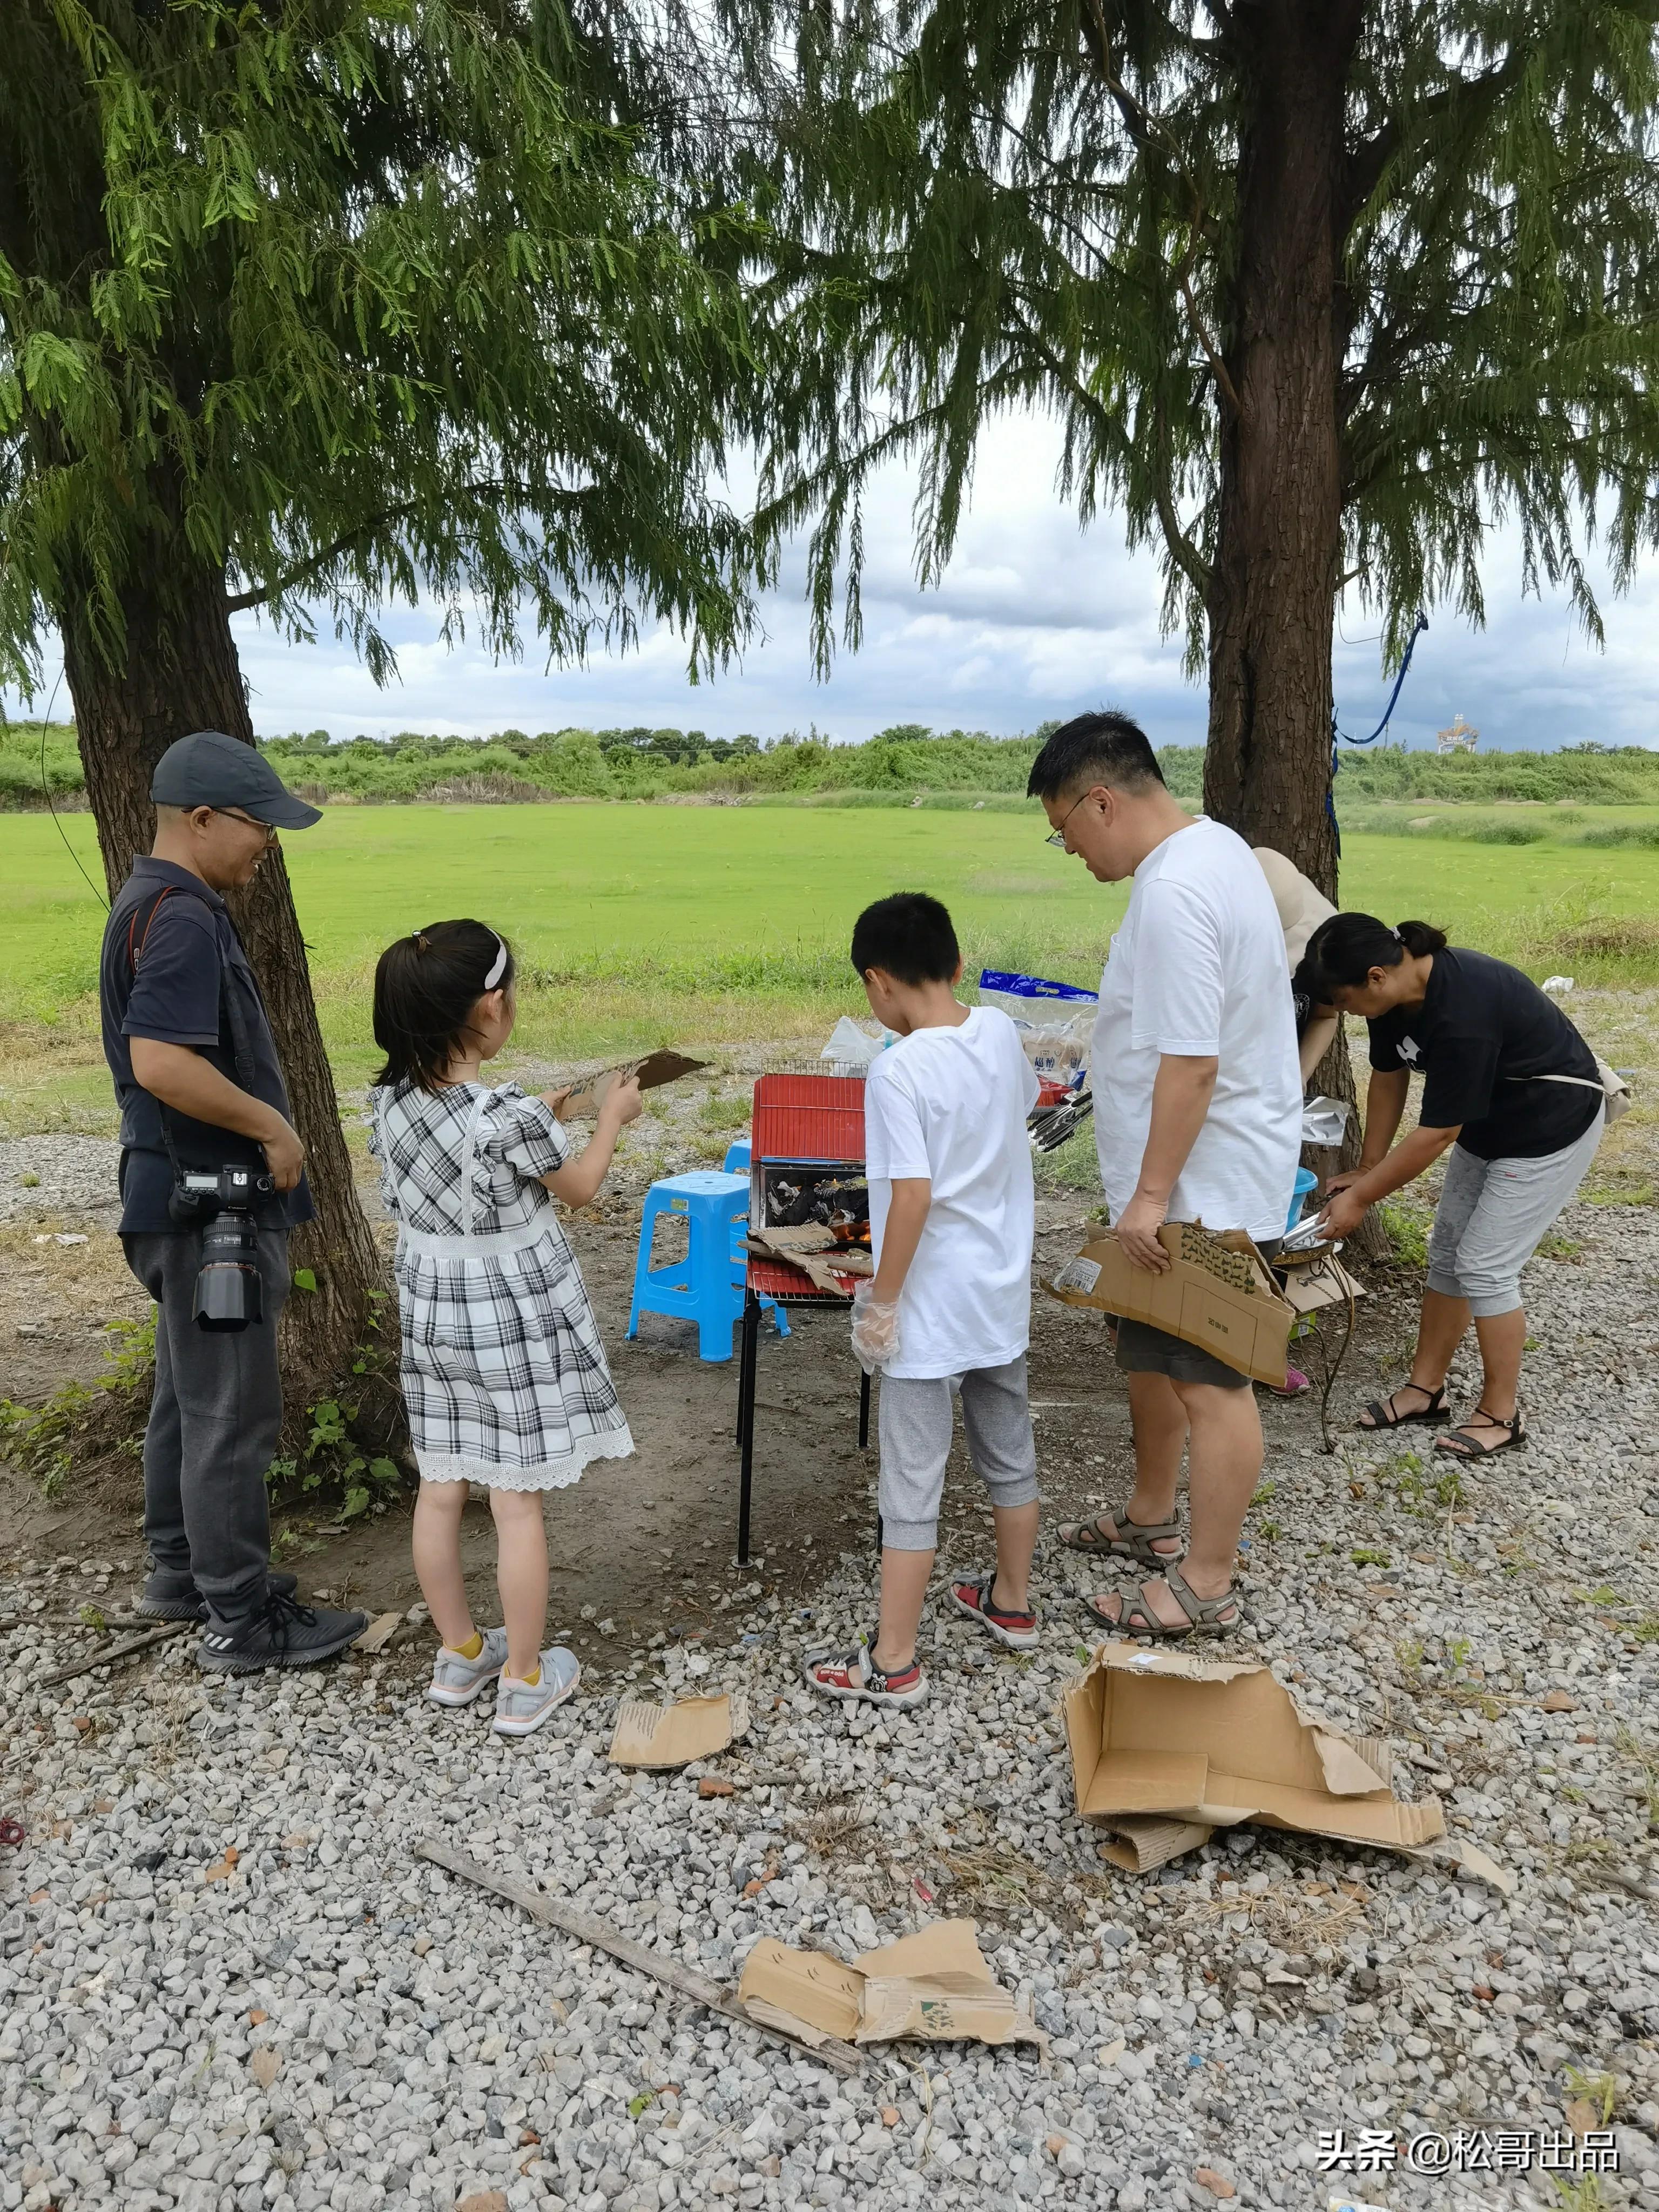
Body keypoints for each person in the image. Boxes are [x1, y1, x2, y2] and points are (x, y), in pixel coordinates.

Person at [100, 729, 368, 1669]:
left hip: (171, 1197)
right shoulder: (179, 916)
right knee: (230, 1412)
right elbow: (161, 1062)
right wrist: (274, 1128)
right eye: (260, 825)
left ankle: (182, 1574)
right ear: (203, 818)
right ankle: (242, 1620)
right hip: (207, 1208)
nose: (269, 843)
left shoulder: (152, 902)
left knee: (188, 1397)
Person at [1032, 710, 1300, 1638]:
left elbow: (1192, 1063)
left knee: (1212, 1380)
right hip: (1181, 1175)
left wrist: (1150, 1198)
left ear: (1101, 801)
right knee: (1150, 1355)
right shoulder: (1213, 849)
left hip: (1199, 1188)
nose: (1069, 849)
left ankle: (1205, 1583)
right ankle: (1152, 1518)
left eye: (1064, 829)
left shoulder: (1176, 889)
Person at [369, 920, 640, 1736]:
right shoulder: (507, 1116)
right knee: (515, 1500)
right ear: (490, 1008)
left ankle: (460, 1653)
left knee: (441, 1485)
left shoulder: (391, 1104)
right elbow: (581, 1187)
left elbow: (463, 1158)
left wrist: (543, 1112)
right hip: (505, 1321)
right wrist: (611, 1117)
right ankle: (524, 1678)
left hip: (432, 1315)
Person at [805, 893, 1042, 1711]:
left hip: (932, 1307)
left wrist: (883, 1302)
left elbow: (911, 1197)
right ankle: (1012, 1603)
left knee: (912, 1479)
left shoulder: (896, 1070)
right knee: (1009, 1449)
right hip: (1000, 1292)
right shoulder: (1000, 1031)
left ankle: (894, 1660)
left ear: (877, 982)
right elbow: (1014, 1116)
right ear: (956, 964)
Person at [1296, 914, 1608, 1459]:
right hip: (1490, 1122)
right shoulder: (1392, 999)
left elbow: (1439, 1132)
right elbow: (1389, 1076)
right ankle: (1426, 1391)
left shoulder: (1464, 1007)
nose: (1346, 1013)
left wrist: (1363, 1198)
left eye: (1345, 1002)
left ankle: (1502, 1415)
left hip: (1550, 1124)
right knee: (1447, 1255)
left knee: (1486, 1267)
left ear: (1375, 976)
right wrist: (1369, 1166)